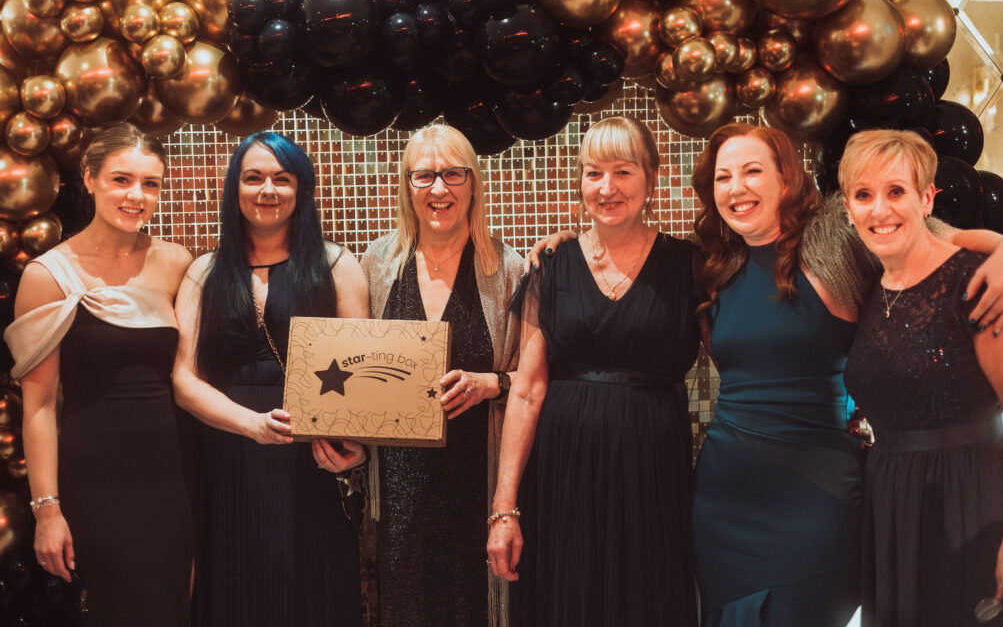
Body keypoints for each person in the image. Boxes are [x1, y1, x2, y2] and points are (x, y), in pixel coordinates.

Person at [687, 122, 1003, 626]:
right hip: (725, 497)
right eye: (723, 177)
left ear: (786, 179)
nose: (737, 188)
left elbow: (933, 234)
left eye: (753, 171)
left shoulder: (836, 234)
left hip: (818, 494)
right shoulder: (713, 263)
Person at [487, 116, 703, 626]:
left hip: (652, 472)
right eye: (593, 172)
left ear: (652, 176)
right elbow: (527, 391)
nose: (607, 188)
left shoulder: (690, 266)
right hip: (561, 475)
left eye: (623, 171)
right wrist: (504, 508)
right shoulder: (551, 266)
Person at [172, 132, 368, 627]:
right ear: (234, 188)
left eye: (282, 179)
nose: (268, 190)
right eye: (253, 177)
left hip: (311, 456)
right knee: (238, 588)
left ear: (302, 189)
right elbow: (183, 378)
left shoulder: (337, 265)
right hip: (226, 454)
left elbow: (363, 375)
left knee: (314, 586)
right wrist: (250, 424)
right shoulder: (203, 271)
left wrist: (357, 446)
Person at [4, 124, 194, 626]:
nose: (137, 196)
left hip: (178, 472)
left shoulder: (178, 263)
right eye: (121, 180)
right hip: (99, 480)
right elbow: (41, 405)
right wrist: (47, 510)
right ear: (89, 179)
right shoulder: (47, 276)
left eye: (150, 183)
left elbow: (196, 373)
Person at [840, 130, 1003, 626]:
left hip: (971, 505)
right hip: (893, 508)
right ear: (848, 207)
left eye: (896, 192)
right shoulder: (871, 284)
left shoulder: (977, 282)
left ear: (926, 199)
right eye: (864, 195)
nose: (879, 210)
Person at [360, 124, 522, 627]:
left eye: (454, 174)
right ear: (406, 185)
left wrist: (492, 383)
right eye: (424, 175)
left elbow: (538, 380)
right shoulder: (376, 266)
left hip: (478, 480)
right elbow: (355, 373)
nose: (438, 189)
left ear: (474, 183)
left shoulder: (510, 270)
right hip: (398, 492)